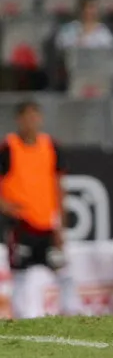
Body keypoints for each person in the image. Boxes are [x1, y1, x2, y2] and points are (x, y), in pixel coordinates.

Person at [0, 101, 66, 319]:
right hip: (20, 223)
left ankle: (61, 315)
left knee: (59, 272)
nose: (31, 121)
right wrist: (4, 205)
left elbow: (58, 185)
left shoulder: (50, 146)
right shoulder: (8, 148)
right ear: (18, 120)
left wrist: (60, 223)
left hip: (46, 222)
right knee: (21, 274)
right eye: (26, 117)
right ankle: (21, 319)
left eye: (35, 116)